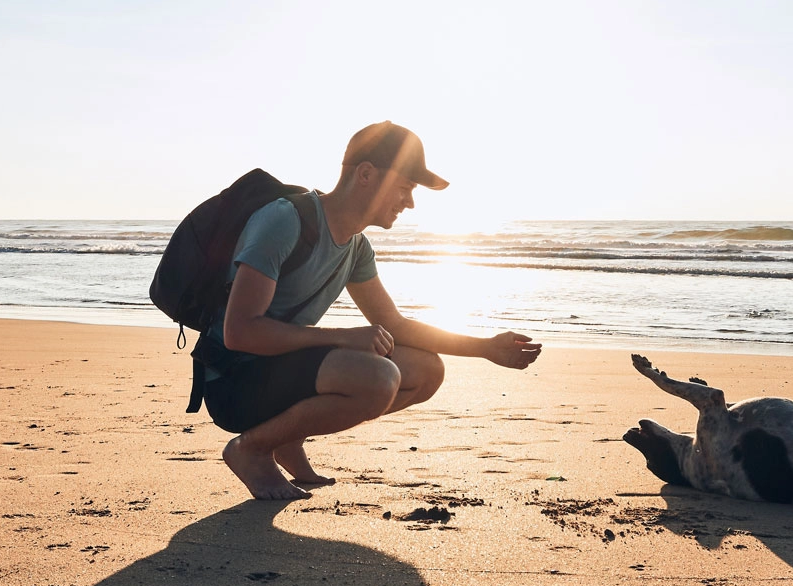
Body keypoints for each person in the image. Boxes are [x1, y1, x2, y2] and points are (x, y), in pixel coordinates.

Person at [202, 122, 541, 500]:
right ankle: (251, 448)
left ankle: (286, 438)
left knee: (427, 370)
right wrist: (345, 337)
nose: (410, 202)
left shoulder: (356, 247)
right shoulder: (286, 221)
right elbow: (240, 332)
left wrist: (484, 347)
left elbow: (394, 324)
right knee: (379, 378)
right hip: (232, 381)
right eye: (405, 187)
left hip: (278, 373)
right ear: (366, 174)